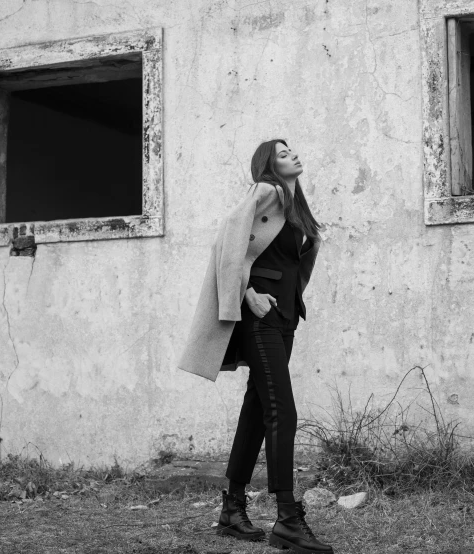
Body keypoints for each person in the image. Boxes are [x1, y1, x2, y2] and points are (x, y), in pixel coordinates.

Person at [178, 139, 333, 553]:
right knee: (282, 409)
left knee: (258, 407)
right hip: (260, 314)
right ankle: (287, 517)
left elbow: (294, 259)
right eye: (283, 154)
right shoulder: (266, 191)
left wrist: (293, 301)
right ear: (268, 165)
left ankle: (232, 508)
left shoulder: (295, 205)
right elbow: (228, 238)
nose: (293, 155)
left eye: (292, 151)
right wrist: (246, 294)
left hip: (284, 316)